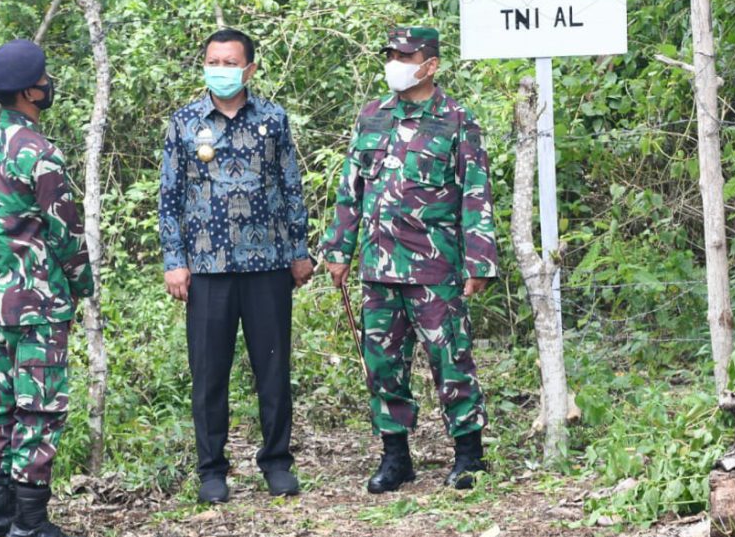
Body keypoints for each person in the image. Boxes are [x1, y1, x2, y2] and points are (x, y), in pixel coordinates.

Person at [322, 26, 498, 493]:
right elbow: (350, 189)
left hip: (434, 268)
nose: (396, 61)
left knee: (450, 359)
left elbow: (475, 194)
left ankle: (468, 456)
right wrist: (338, 248)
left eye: (406, 54)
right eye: (392, 54)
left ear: (431, 64)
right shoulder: (372, 117)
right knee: (381, 364)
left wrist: (479, 262)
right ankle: (395, 456)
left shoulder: (457, 120)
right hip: (379, 267)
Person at [159, 28, 313, 504]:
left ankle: (277, 463)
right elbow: (170, 198)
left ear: (249, 68)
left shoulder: (273, 119)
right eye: (213, 61)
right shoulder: (184, 123)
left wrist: (299, 250)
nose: (220, 70)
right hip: (206, 268)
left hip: (267, 264)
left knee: (273, 369)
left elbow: (291, 187)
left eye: (230, 62)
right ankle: (211, 471)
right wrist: (174, 261)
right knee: (208, 374)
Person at [0, 39, 93, 537]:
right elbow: (64, 230)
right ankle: (28, 522)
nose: (49, 85)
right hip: (39, 300)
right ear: (29, 91)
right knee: (39, 407)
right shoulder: (39, 152)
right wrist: (83, 283)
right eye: (44, 78)